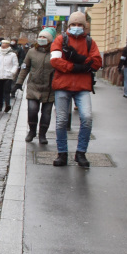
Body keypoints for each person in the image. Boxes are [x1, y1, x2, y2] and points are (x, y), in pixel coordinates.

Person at [49, 12, 102, 168]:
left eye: (80, 25)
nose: (77, 27)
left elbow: (97, 62)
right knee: (61, 121)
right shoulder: (61, 39)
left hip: (82, 87)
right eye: (74, 24)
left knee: (86, 118)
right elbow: (55, 61)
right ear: (69, 25)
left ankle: (81, 153)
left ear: (84, 26)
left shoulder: (89, 42)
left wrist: (79, 59)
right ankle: (62, 154)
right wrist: (76, 67)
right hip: (63, 86)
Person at [14, 28, 56, 144]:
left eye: (45, 37)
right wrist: (19, 82)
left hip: (49, 88)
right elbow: (25, 67)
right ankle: (32, 131)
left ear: (50, 40)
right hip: (34, 86)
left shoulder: (55, 52)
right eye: (40, 37)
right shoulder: (31, 51)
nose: (42, 39)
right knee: (32, 110)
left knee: (46, 113)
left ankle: (42, 135)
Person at [0, 39, 19, 113]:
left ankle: (7, 105)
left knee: (7, 90)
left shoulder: (12, 54)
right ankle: (0, 105)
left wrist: (12, 72)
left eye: (5, 44)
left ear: (8, 45)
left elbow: (15, 64)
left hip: (8, 75)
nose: (3, 45)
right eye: (2, 44)